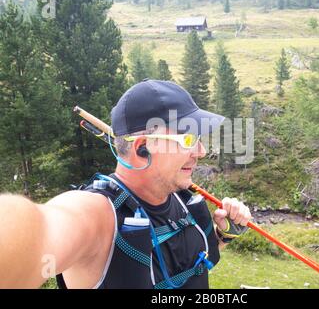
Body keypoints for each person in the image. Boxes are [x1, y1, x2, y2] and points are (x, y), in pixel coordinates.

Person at [0, 79, 252, 289]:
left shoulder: (179, 198)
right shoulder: (97, 215)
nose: (201, 150)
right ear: (142, 148)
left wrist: (223, 236)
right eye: (187, 139)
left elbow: (189, 262)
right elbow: (39, 230)